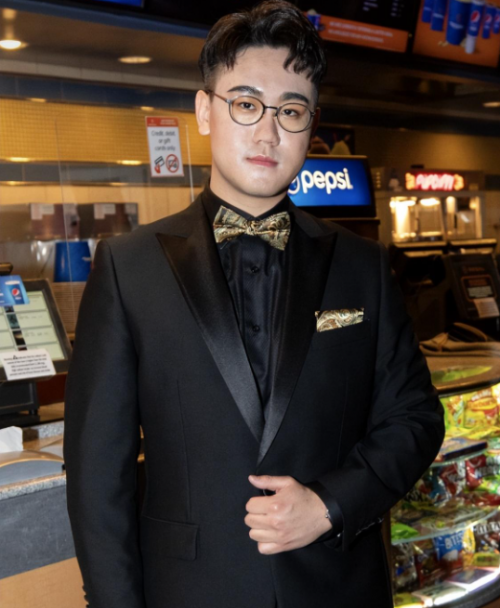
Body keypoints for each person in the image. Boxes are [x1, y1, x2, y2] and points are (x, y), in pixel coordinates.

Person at [64, 2, 444, 608]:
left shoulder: (363, 266)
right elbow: (96, 473)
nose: (268, 133)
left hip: (337, 586)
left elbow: (415, 418)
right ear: (205, 110)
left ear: (311, 125)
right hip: (190, 591)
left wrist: (330, 503)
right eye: (246, 104)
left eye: (290, 111)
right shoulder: (127, 267)